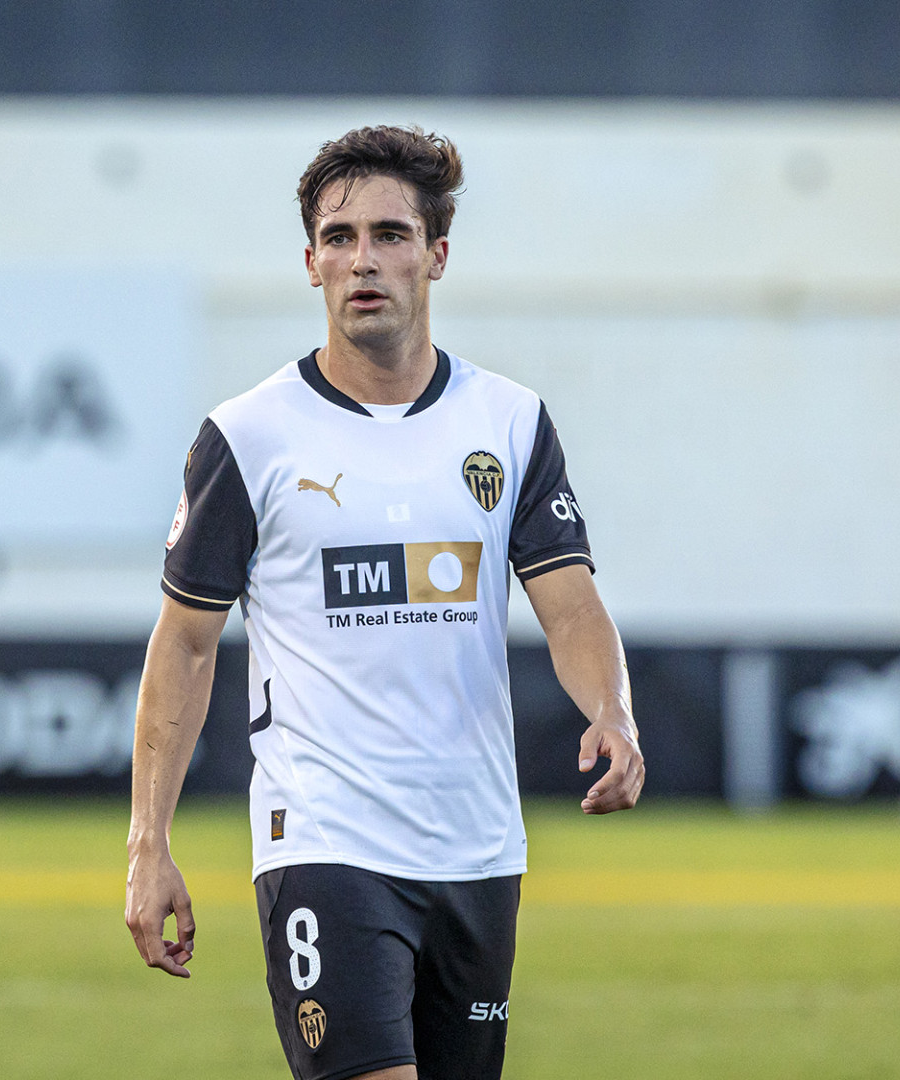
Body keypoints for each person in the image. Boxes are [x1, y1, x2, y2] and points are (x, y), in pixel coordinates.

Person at [124, 125, 645, 1080]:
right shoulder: (249, 437)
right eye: (340, 237)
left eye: (390, 235)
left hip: (478, 848)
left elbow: (571, 608)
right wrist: (146, 844)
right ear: (311, 263)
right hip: (325, 839)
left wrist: (613, 711)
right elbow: (186, 644)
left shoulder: (510, 423)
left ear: (436, 255)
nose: (363, 259)